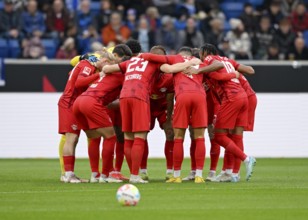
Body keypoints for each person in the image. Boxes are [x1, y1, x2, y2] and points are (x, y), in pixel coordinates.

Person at [102, 42, 199, 183]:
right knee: (140, 136)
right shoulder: (155, 63)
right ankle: (136, 175)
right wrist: (191, 62)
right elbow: (171, 68)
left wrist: (104, 63)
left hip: (125, 96)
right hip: (140, 97)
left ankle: (134, 174)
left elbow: (107, 69)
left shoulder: (132, 61)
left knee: (129, 137)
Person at [185, 43, 256, 182]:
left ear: (206, 53)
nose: (201, 57)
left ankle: (246, 159)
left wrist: (199, 71)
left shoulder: (210, 59)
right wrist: (233, 74)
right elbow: (250, 70)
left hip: (231, 98)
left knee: (218, 136)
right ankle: (233, 173)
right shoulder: (228, 60)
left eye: (201, 54)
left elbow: (218, 65)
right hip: (243, 97)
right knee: (236, 136)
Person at [140, 47, 208, 183]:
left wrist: (140, 55)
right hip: (200, 96)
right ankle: (199, 175)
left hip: (182, 95)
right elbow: (217, 69)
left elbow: (147, 56)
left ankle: (176, 175)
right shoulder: (201, 63)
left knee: (178, 137)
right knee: (199, 137)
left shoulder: (174, 59)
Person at [73, 51, 124, 183]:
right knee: (111, 137)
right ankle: (105, 176)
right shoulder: (120, 75)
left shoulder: (101, 75)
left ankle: (95, 174)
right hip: (91, 102)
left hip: (79, 102)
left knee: (94, 138)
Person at [58, 52, 105, 183]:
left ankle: (69, 173)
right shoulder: (88, 65)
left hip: (74, 102)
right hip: (69, 103)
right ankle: (67, 174)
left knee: (74, 139)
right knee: (71, 138)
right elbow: (78, 83)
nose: (106, 67)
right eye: (106, 63)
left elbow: (72, 76)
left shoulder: (86, 65)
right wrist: (98, 75)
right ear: (102, 59)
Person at [139, 45, 175, 180]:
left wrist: (169, 118)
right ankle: (143, 171)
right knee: (142, 134)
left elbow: (170, 98)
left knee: (170, 133)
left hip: (163, 106)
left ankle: (170, 171)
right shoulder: (144, 73)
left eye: (158, 58)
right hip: (147, 104)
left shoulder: (169, 76)